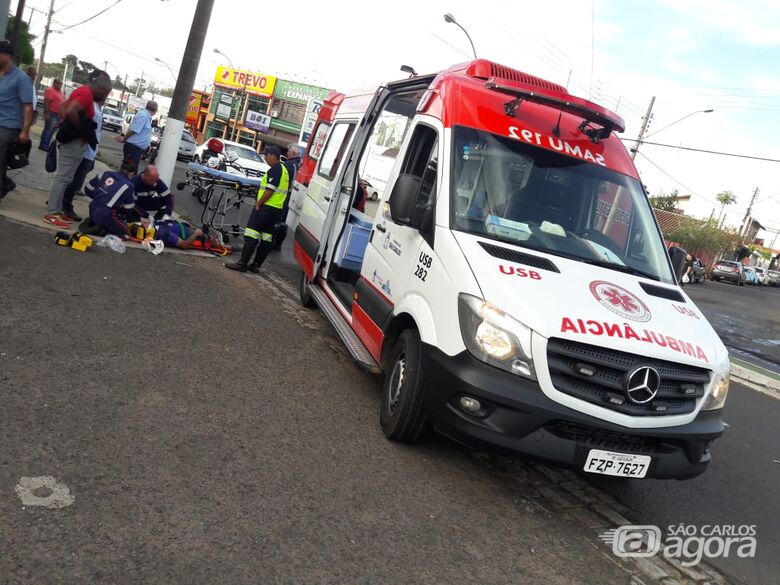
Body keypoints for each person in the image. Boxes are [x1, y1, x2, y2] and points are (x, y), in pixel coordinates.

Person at [43, 70, 112, 227]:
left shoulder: (81, 91)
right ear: (101, 89)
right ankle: (52, 212)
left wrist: (65, 122)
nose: (105, 96)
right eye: (106, 93)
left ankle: (57, 209)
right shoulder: (86, 94)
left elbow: (64, 108)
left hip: (73, 140)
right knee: (63, 177)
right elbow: (71, 110)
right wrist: (81, 130)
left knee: (66, 178)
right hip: (73, 142)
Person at [225, 145, 289, 273]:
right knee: (266, 239)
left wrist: (259, 203)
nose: (265, 158)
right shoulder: (284, 170)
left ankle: (242, 263)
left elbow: (270, 190)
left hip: (266, 208)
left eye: (266, 155)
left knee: (251, 235)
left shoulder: (275, 170)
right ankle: (255, 266)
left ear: (273, 155)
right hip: (276, 211)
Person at [0, 40, 34, 203]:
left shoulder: (21, 78)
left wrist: (25, 131)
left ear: (7, 56)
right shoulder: (1, 74)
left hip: (8, 126)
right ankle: (5, 183)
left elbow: (28, 107)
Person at [61, 97, 104, 222]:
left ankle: (60, 200)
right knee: (76, 181)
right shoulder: (96, 112)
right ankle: (66, 206)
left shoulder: (92, 109)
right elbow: (92, 132)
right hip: (87, 151)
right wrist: (94, 146)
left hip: (87, 150)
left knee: (72, 178)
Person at [84, 159, 137, 238]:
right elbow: (128, 208)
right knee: (126, 233)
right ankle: (102, 230)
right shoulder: (129, 185)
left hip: (93, 207)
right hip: (106, 213)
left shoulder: (104, 174)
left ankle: (94, 222)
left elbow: (88, 189)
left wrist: (100, 197)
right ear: (132, 173)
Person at [273, 143, 302, 250]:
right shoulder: (299, 164)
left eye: (289, 152)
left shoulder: (289, 165)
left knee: (278, 220)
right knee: (284, 221)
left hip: (285, 196)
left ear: (293, 153)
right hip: (294, 196)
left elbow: (282, 181)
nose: (287, 153)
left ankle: (274, 243)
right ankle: (278, 244)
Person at [118, 100, 157, 173]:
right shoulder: (143, 116)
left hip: (136, 148)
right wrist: (124, 139)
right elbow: (133, 130)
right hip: (133, 147)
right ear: (155, 111)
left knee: (129, 170)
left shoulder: (146, 116)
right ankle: (121, 183)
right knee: (130, 171)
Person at [39, 78, 65, 151]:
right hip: (52, 113)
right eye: (59, 83)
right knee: (48, 129)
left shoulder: (60, 93)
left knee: (53, 131)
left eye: (61, 84)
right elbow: (47, 101)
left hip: (59, 115)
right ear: (54, 83)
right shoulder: (50, 90)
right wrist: (46, 112)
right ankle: (43, 145)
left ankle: (46, 144)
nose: (60, 85)